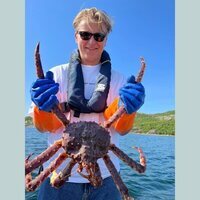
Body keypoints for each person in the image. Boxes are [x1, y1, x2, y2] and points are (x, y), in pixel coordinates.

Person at [29, 7, 145, 200]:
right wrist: (42, 109)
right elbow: (42, 127)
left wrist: (130, 111)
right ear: (76, 36)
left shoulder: (120, 81)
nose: (92, 41)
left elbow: (122, 129)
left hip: (107, 180)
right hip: (57, 176)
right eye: (85, 35)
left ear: (106, 39)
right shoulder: (56, 75)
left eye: (99, 36)